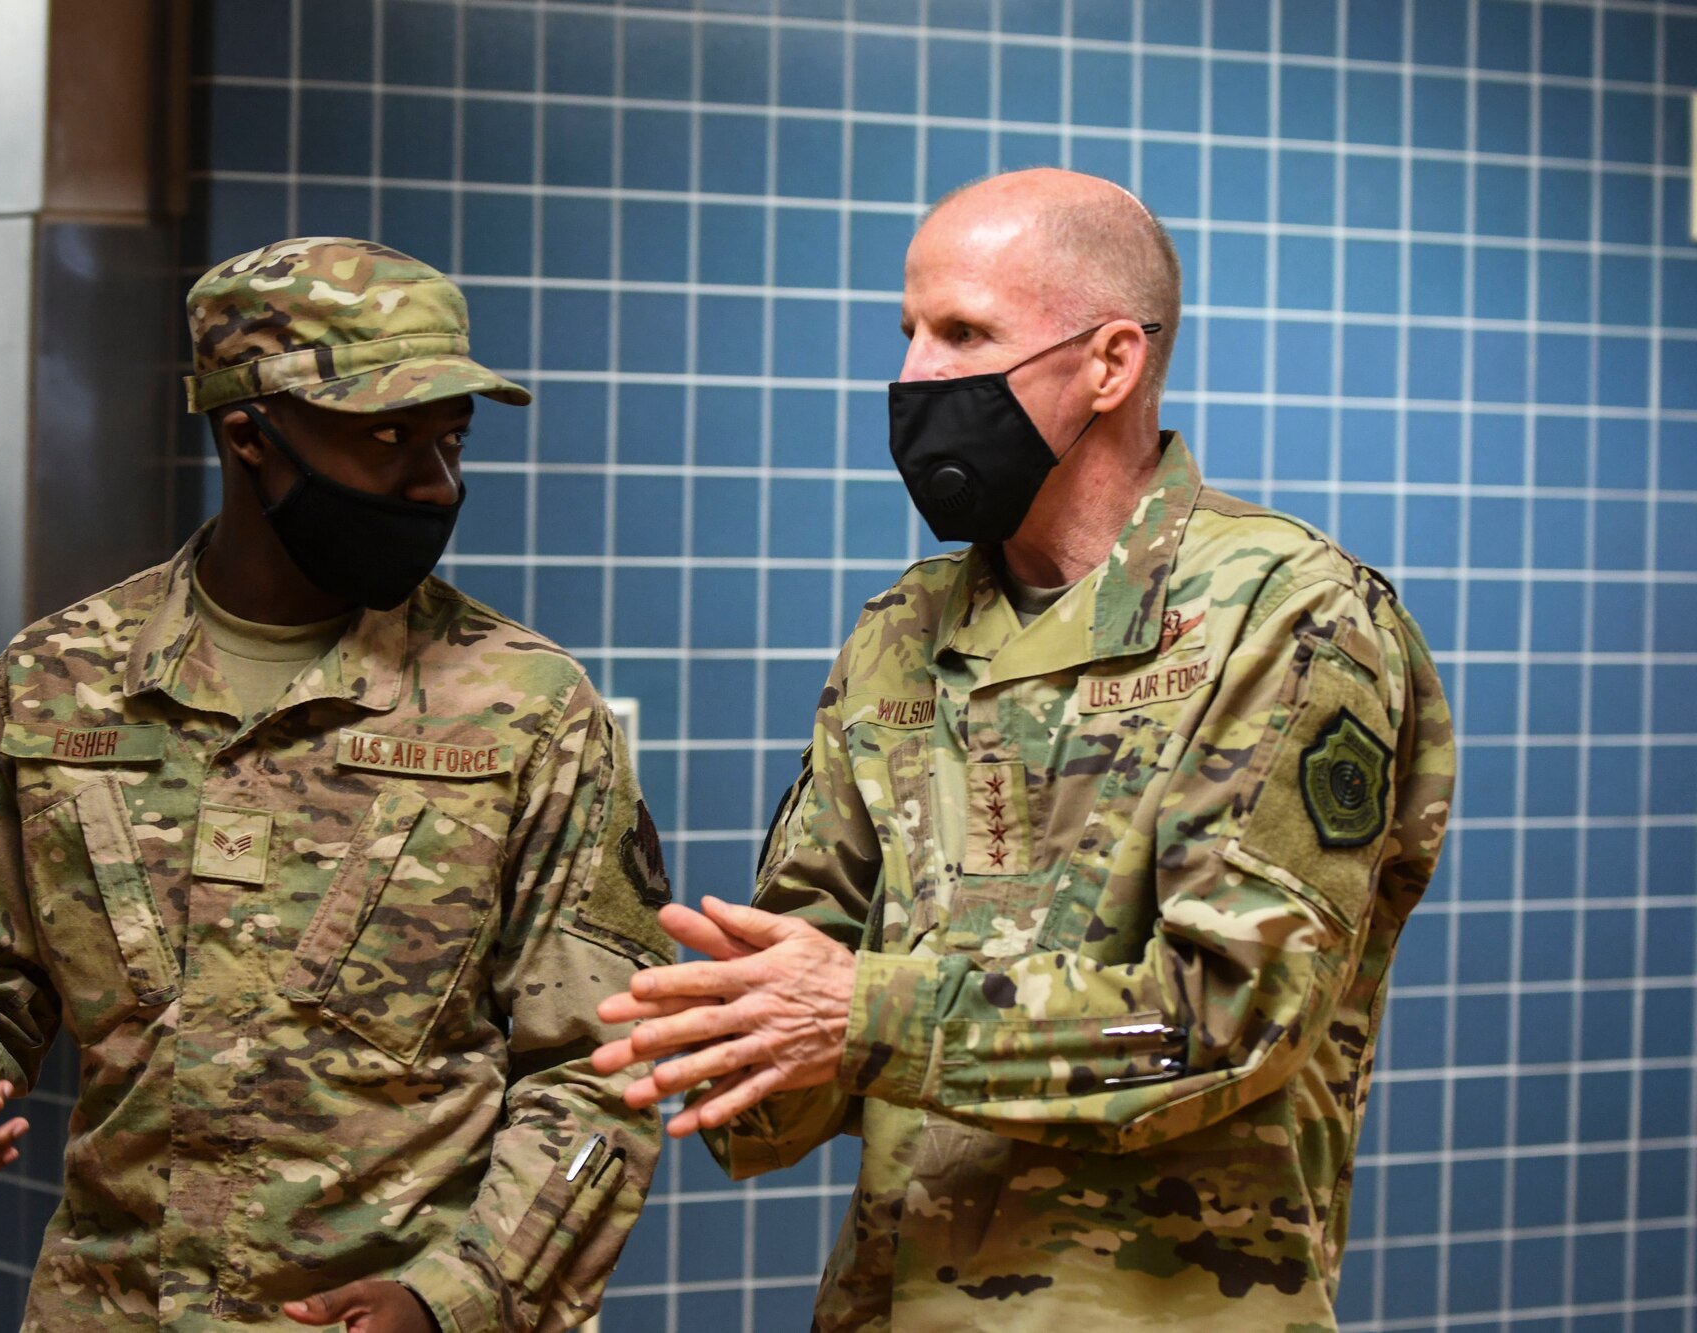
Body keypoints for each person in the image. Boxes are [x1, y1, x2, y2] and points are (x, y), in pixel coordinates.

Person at [594, 169, 1456, 1330]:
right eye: (906, 333)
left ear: (1109, 362)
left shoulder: (1287, 619)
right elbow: (804, 981)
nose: (912, 376)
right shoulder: (904, 631)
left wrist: (856, 1019)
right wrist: (728, 1033)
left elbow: (1223, 1017)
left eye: (962, 333)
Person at [0, 237, 672, 1333]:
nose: (435, 482)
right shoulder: (59, 681)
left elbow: (603, 1074)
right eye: (385, 437)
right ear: (248, 435)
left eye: (450, 438)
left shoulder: (525, 707)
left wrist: (457, 1297)